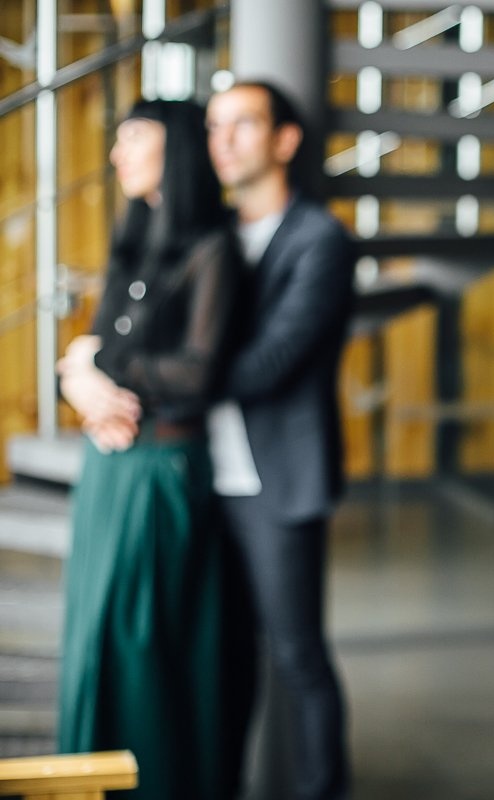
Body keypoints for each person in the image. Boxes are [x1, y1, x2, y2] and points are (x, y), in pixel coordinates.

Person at [55, 99, 241, 799]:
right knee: (93, 635)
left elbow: (195, 373)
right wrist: (80, 376)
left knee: (139, 646)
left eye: (133, 136)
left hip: (160, 470)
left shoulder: (212, 247)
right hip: (109, 465)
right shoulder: (133, 235)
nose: (117, 153)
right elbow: (103, 343)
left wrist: (93, 366)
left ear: (177, 147)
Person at [205, 80, 356, 800]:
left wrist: (160, 377)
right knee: (224, 656)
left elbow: (270, 364)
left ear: (285, 140)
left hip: (279, 481)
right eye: (213, 127)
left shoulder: (319, 239)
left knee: (297, 659)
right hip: (204, 477)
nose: (222, 140)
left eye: (241, 124)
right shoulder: (210, 235)